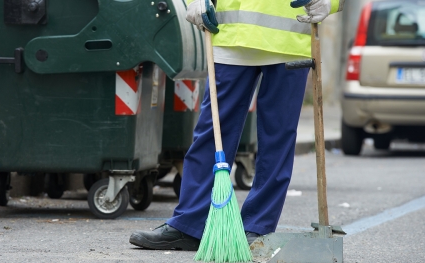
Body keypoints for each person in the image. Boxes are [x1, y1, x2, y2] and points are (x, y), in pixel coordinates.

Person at [129, 0, 345, 251]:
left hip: (289, 40)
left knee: (278, 139)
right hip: (232, 35)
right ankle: (189, 225)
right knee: (211, 133)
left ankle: (257, 228)